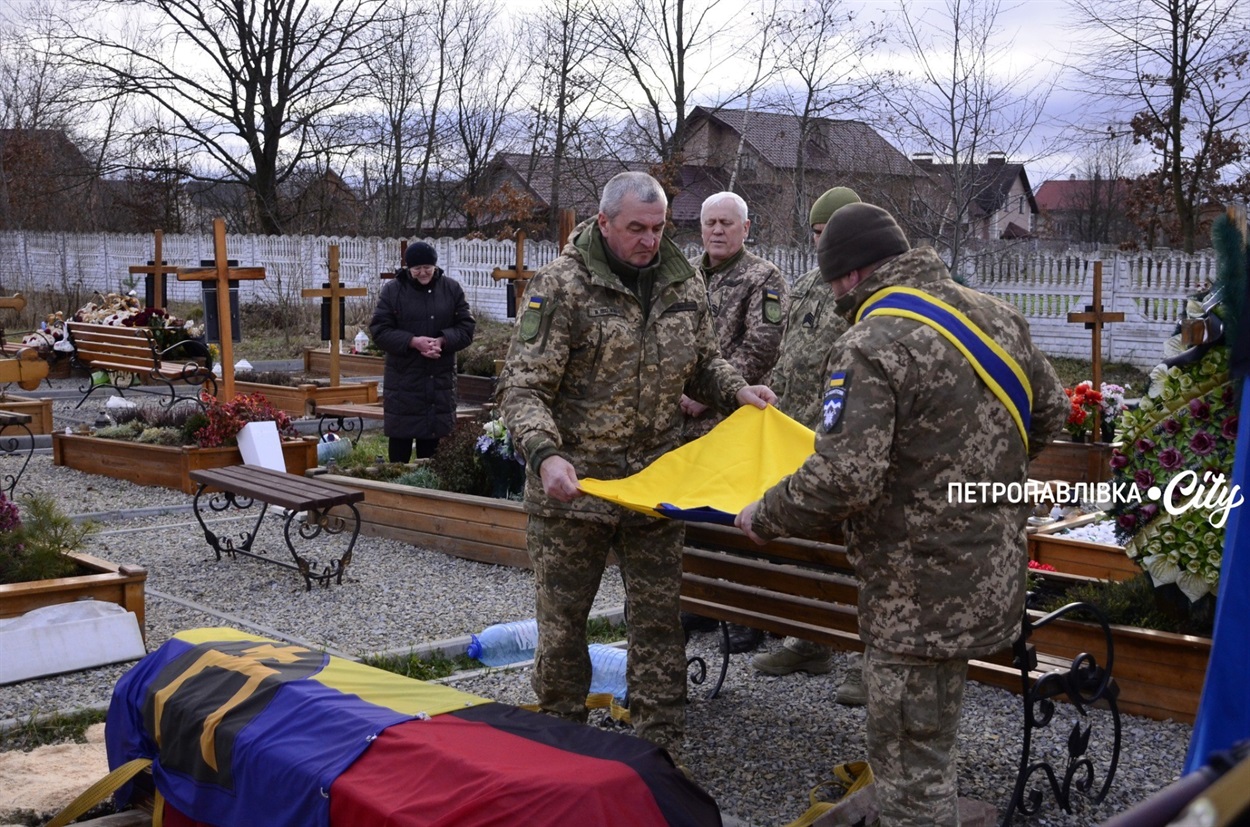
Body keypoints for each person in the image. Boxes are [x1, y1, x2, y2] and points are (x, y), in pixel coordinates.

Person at [735, 203, 1068, 825]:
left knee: (908, 769)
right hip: (990, 574)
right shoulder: (998, 316)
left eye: (833, 281)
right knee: (932, 737)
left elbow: (843, 476)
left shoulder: (870, 341)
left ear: (850, 275)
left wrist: (767, 513)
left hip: (913, 595)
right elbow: (1050, 415)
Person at [496, 171, 776, 764]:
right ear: (604, 223)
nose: (650, 241)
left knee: (657, 625)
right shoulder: (562, 288)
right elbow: (522, 387)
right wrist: (546, 455)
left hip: (654, 490)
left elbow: (702, 364)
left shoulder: (682, 283)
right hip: (575, 493)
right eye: (636, 230)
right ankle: (560, 748)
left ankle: (660, 755)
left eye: (658, 228)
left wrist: (738, 392)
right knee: (564, 626)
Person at [750, 186, 865, 696]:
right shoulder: (806, 284)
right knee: (804, 548)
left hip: (842, 441)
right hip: (795, 435)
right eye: (816, 235)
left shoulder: (864, 292)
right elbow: (789, 350)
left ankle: (871, 657)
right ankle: (810, 640)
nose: (820, 245)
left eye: (827, 235)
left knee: (858, 552)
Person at [680, 190, 788, 654]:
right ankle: (700, 603)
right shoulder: (685, 276)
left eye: (727, 223)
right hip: (682, 423)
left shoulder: (764, 277)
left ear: (746, 228)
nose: (718, 231)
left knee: (738, 520)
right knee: (692, 516)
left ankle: (749, 616)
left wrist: (708, 393)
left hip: (732, 419)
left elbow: (762, 347)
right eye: (710, 223)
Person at [369, 241, 476, 462]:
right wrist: (412, 341)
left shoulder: (451, 289)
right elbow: (379, 330)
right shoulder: (393, 291)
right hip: (403, 382)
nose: (423, 272)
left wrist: (443, 341)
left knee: (435, 455)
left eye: (427, 267)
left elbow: (466, 328)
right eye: (417, 268)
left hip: (440, 381)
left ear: (435, 266)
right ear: (408, 268)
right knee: (399, 453)